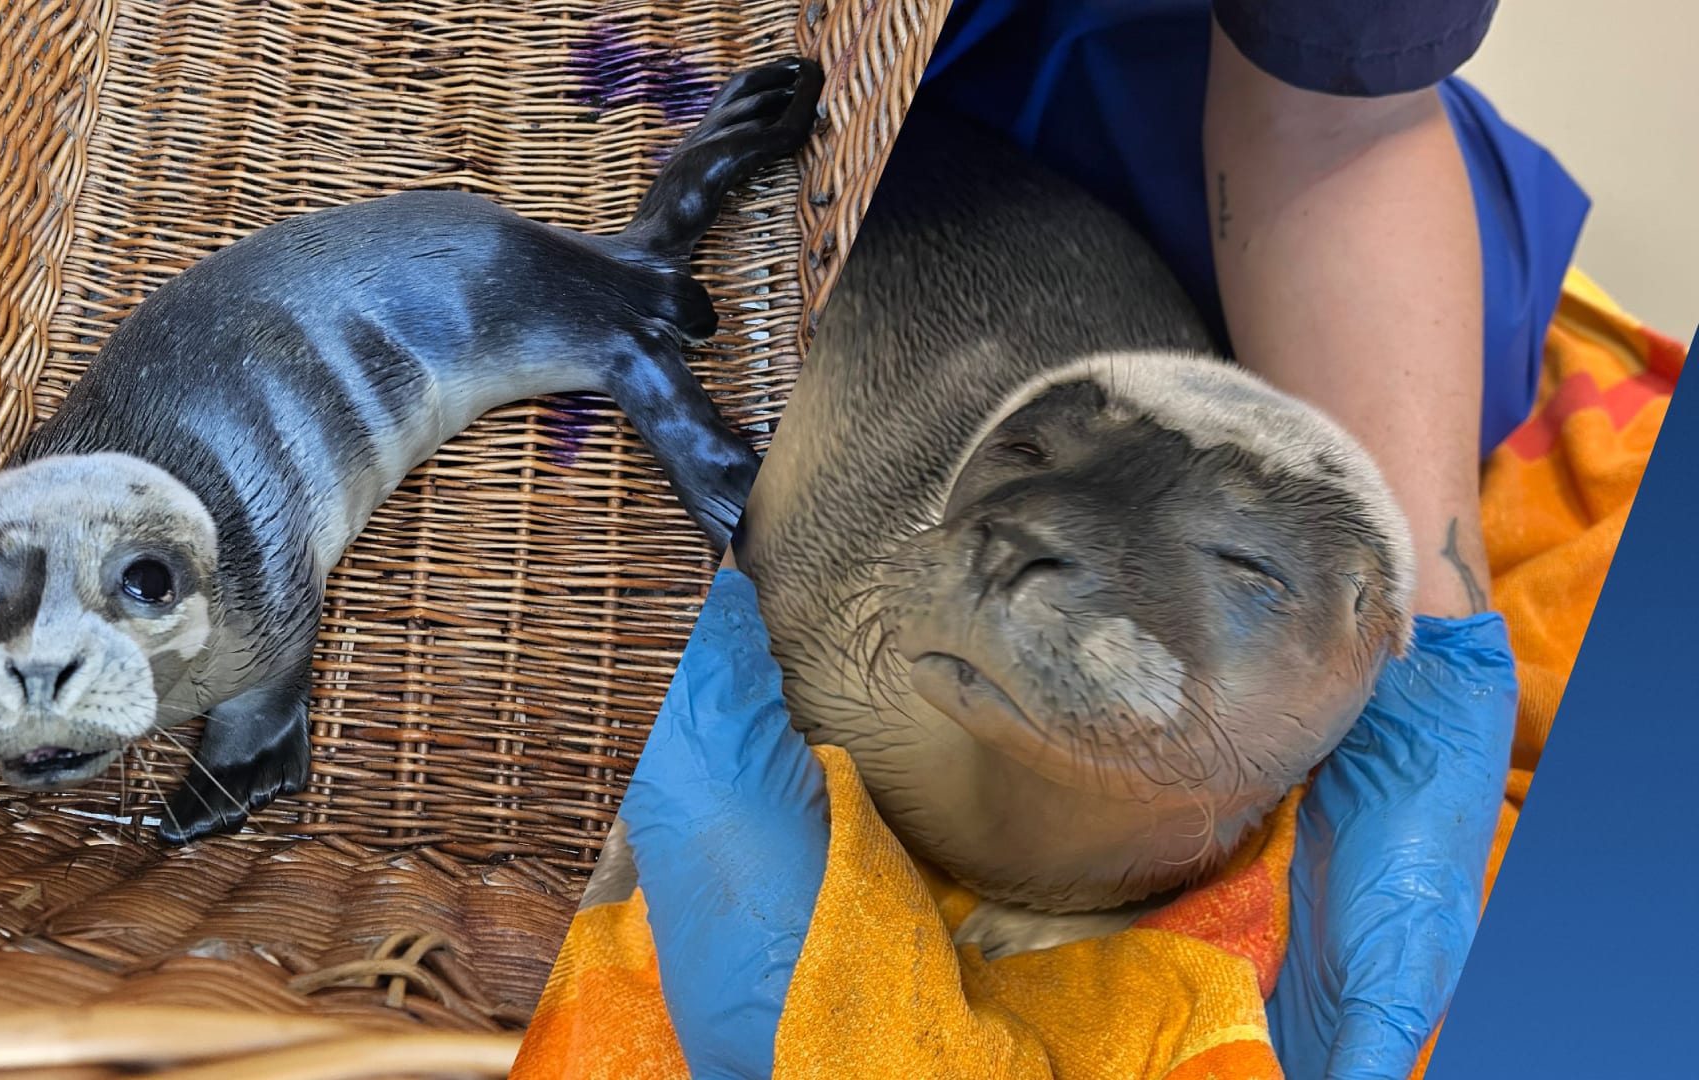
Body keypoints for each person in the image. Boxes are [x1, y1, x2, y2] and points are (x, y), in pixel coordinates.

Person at [614, 2, 1591, 1078]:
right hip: (616, 79)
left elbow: (1342, 122)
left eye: (1244, 573)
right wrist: (661, 620)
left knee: (1472, 343)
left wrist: (1437, 630)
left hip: (1084, 60)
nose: (1024, 554)